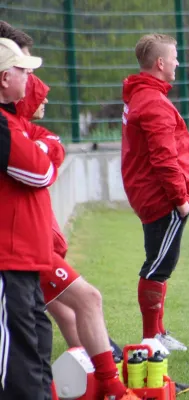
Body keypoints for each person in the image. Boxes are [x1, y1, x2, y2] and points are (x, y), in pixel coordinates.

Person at [17, 73, 141, 400]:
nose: (44, 99)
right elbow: (40, 171)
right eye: (37, 91)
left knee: (63, 313)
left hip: (36, 247)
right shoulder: (10, 131)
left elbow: (53, 145)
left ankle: (90, 379)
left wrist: (45, 146)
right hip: (23, 250)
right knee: (87, 299)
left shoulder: (21, 128)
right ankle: (110, 384)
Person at [121, 33, 189, 352]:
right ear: (160, 63)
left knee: (159, 261)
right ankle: (150, 337)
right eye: (175, 57)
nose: (178, 63)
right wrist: (180, 198)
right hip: (161, 198)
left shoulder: (142, 96)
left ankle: (158, 332)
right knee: (158, 265)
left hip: (150, 194)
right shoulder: (152, 102)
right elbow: (164, 157)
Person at [0, 36, 55, 400]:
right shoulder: (4, 125)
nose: (29, 78)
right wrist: (47, 148)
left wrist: (44, 145)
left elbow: (44, 149)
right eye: (23, 70)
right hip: (8, 257)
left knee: (37, 339)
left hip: (26, 256)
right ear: (5, 77)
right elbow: (40, 171)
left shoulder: (12, 120)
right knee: (17, 355)